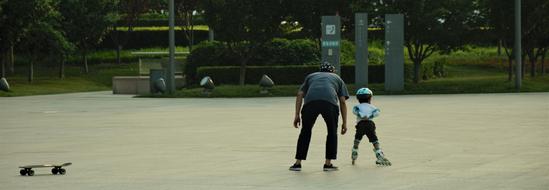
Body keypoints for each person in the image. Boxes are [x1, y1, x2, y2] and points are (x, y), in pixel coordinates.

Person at [290, 62, 349, 171]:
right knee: (332, 132)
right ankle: (328, 164)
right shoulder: (337, 78)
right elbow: (342, 101)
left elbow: (300, 94)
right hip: (329, 104)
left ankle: (297, 163)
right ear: (332, 71)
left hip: (310, 104)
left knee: (305, 132)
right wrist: (344, 122)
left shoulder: (311, 76)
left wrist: (297, 115)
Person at [350, 87, 391, 166]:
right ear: (370, 98)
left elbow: (355, 111)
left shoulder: (357, 106)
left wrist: (361, 116)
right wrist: (370, 116)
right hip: (370, 125)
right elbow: (377, 112)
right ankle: (379, 153)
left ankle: (354, 152)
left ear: (358, 99)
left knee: (357, 139)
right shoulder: (372, 107)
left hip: (360, 125)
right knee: (374, 139)